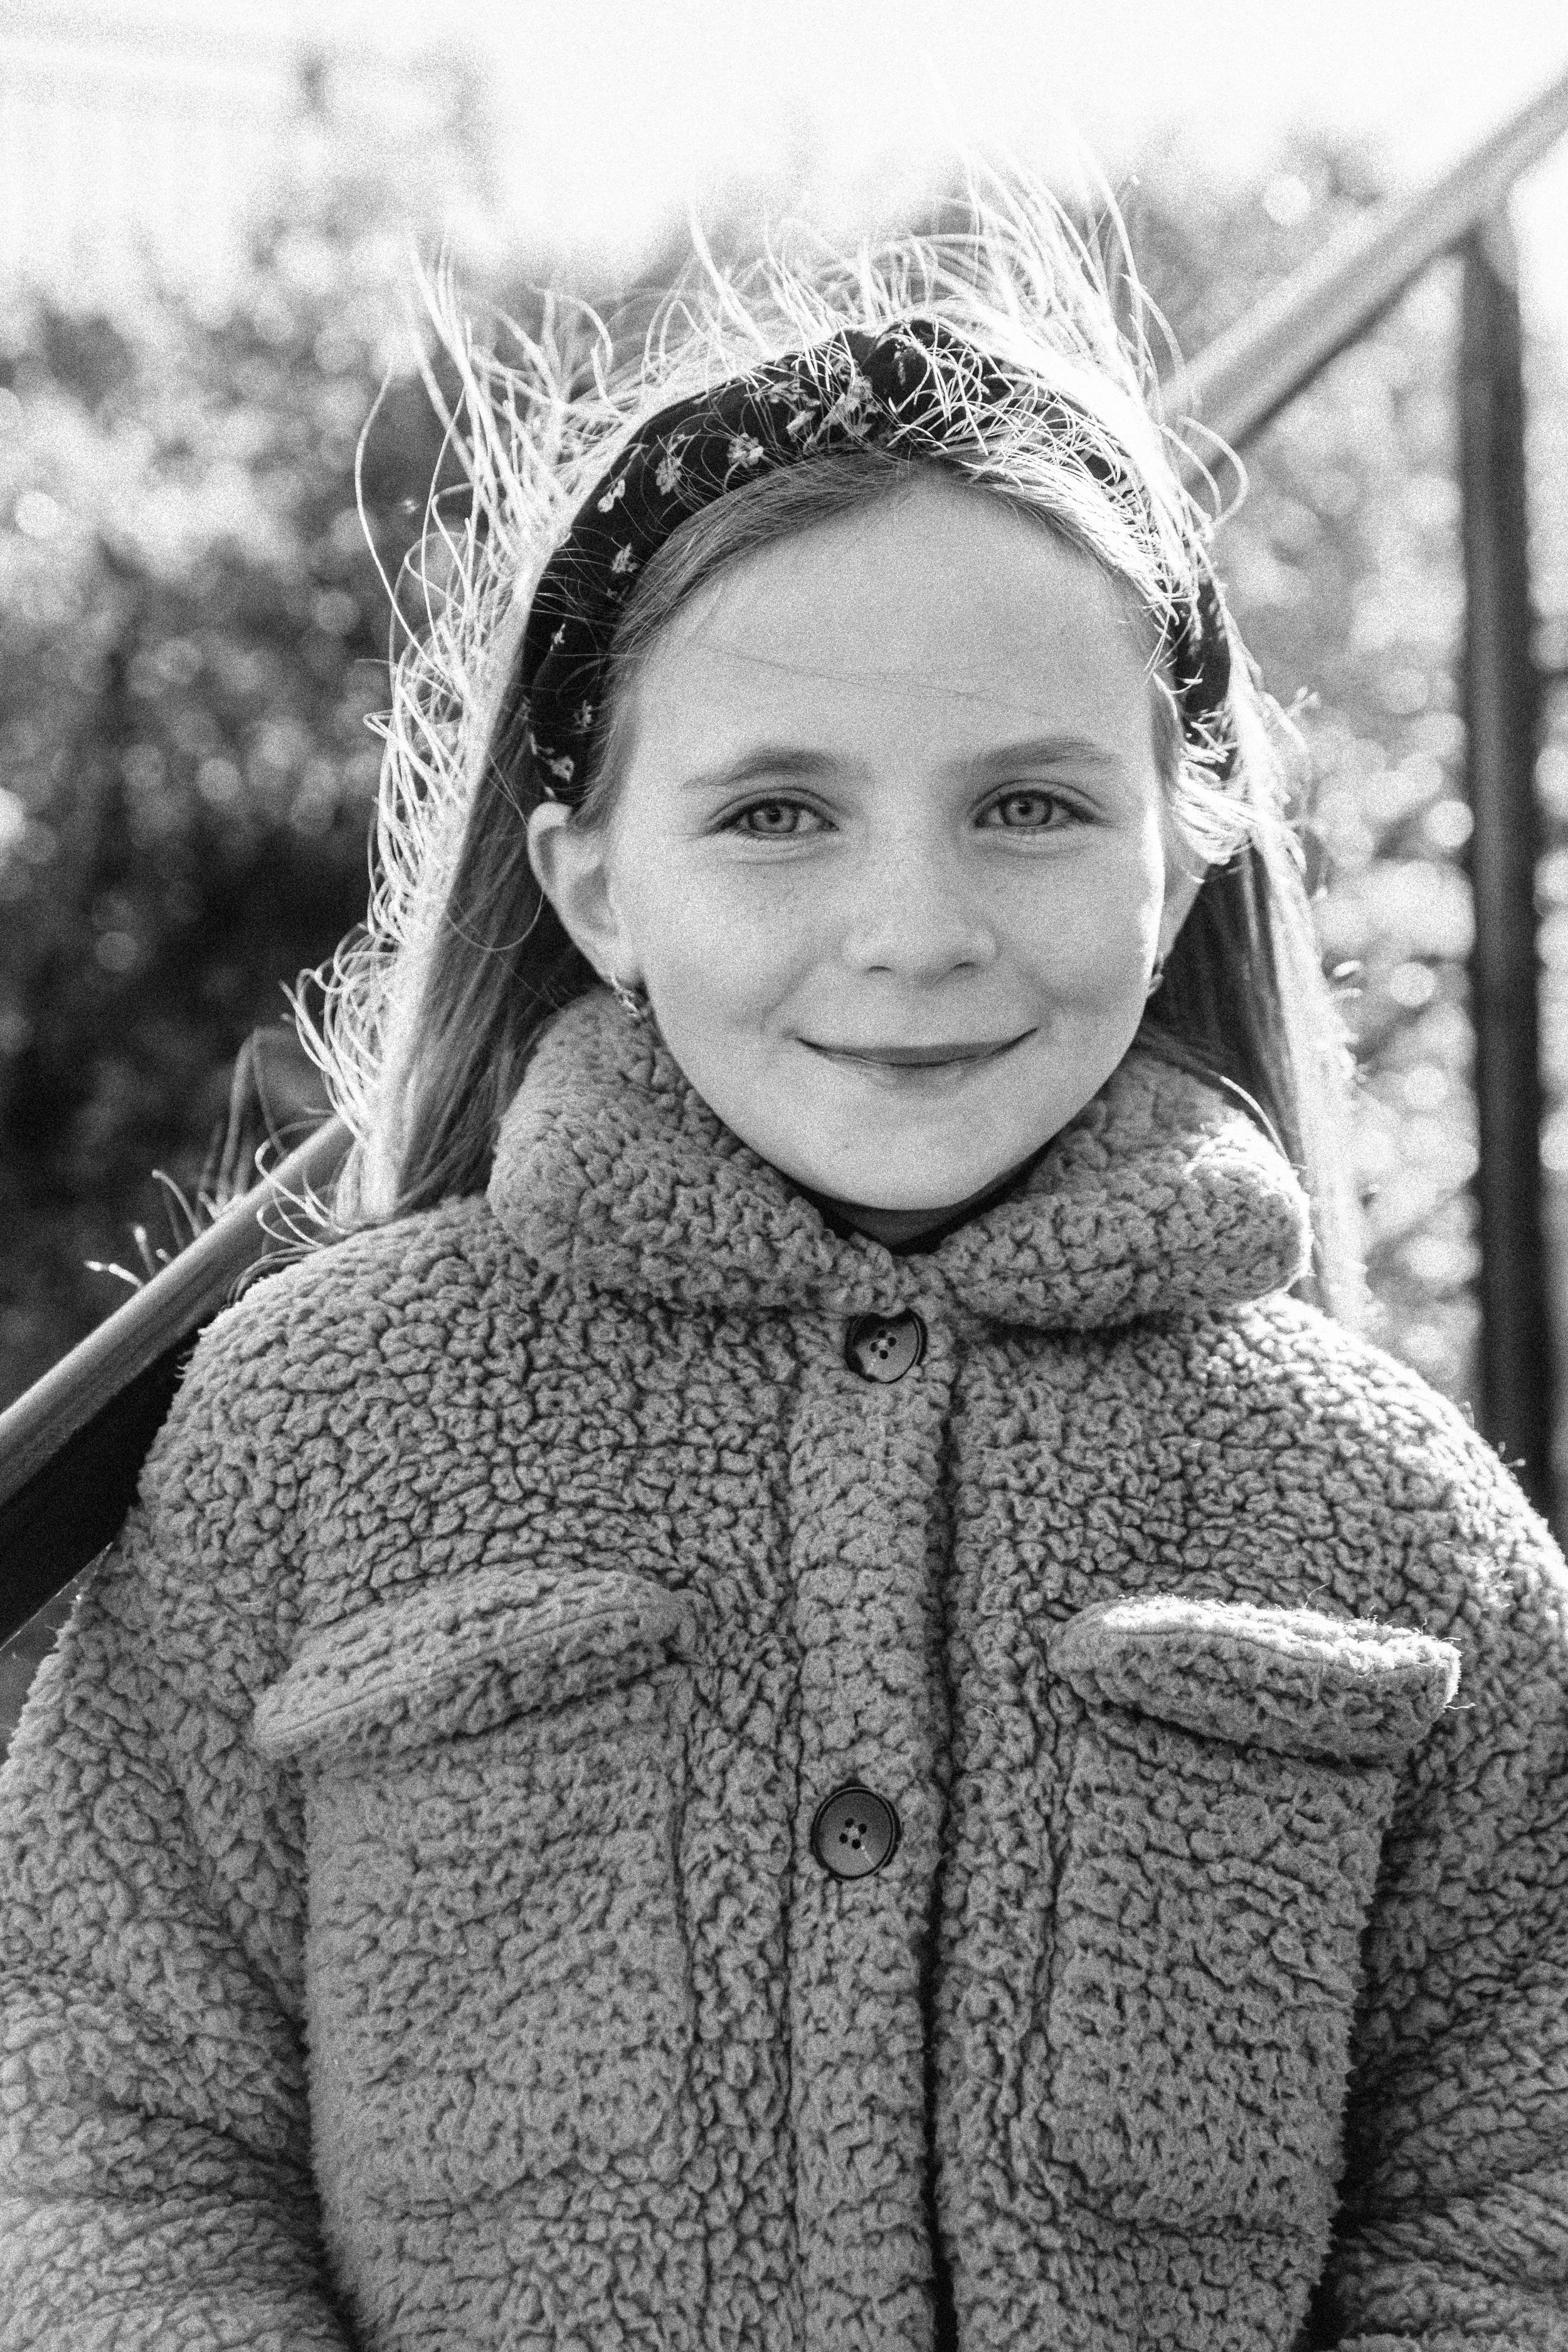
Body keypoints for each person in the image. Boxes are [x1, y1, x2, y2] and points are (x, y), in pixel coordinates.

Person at [1, 172, 1565, 2352]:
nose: (912, 927)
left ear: (1187, 828)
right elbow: (108, 2126)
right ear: (591, 881)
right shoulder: (312, 1429)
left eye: (1026, 802)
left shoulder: (1392, 1524)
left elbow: (1512, 2187)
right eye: (773, 812)